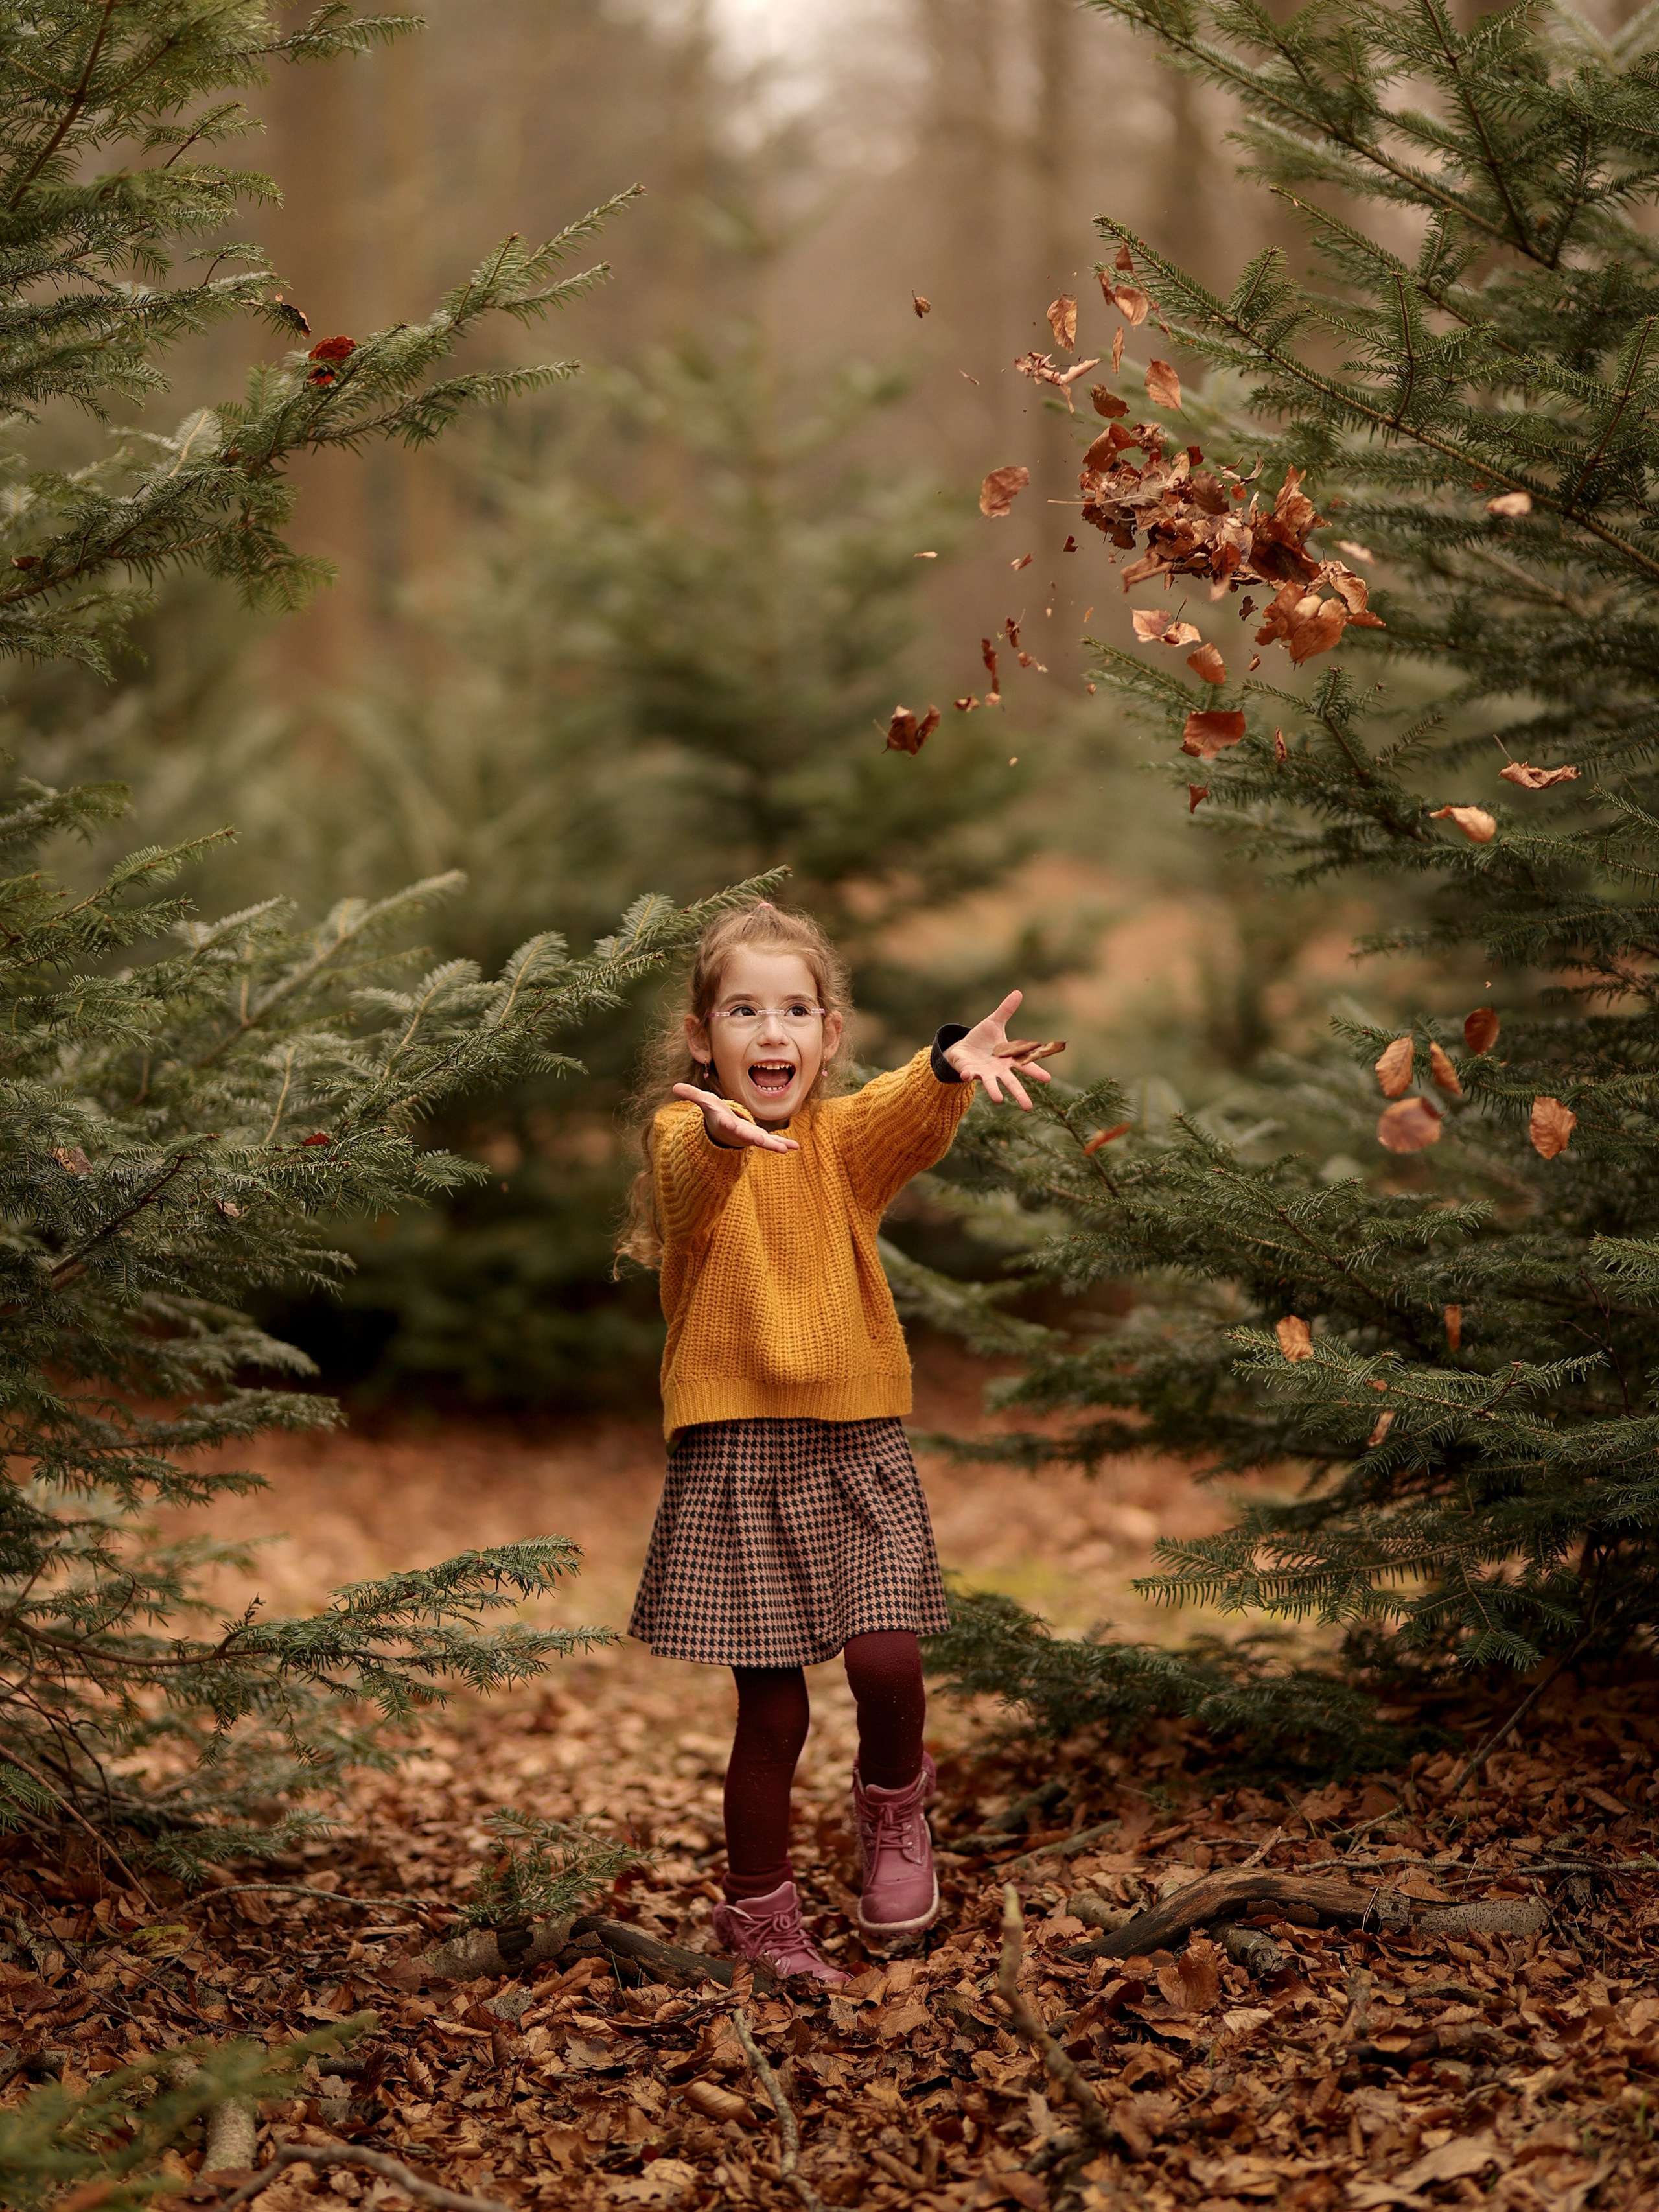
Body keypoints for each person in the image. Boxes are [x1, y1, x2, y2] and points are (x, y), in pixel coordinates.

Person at [617, 900, 1058, 1984]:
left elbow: (903, 1110)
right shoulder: (685, 1130)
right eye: (745, 1011)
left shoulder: (843, 1142)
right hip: (734, 1449)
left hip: (854, 1436)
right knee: (773, 1705)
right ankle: (760, 1913)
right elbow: (689, 1177)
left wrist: (949, 1063)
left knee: (888, 1655)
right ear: (701, 1036)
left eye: (796, 1011)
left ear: (830, 1031)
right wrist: (723, 1134)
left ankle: (896, 1813)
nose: (772, 1033)